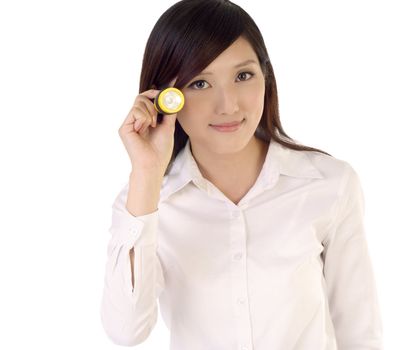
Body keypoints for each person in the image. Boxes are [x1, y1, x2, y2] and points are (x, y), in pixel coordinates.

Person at [100, 0, 384, 349]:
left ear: (266, 77)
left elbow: (359, 331)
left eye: (243, 76)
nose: (229, 105)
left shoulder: (329, 184)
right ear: (164, 98)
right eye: (200, 84)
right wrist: (146, 175)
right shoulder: (145, 204)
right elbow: (125, 331)